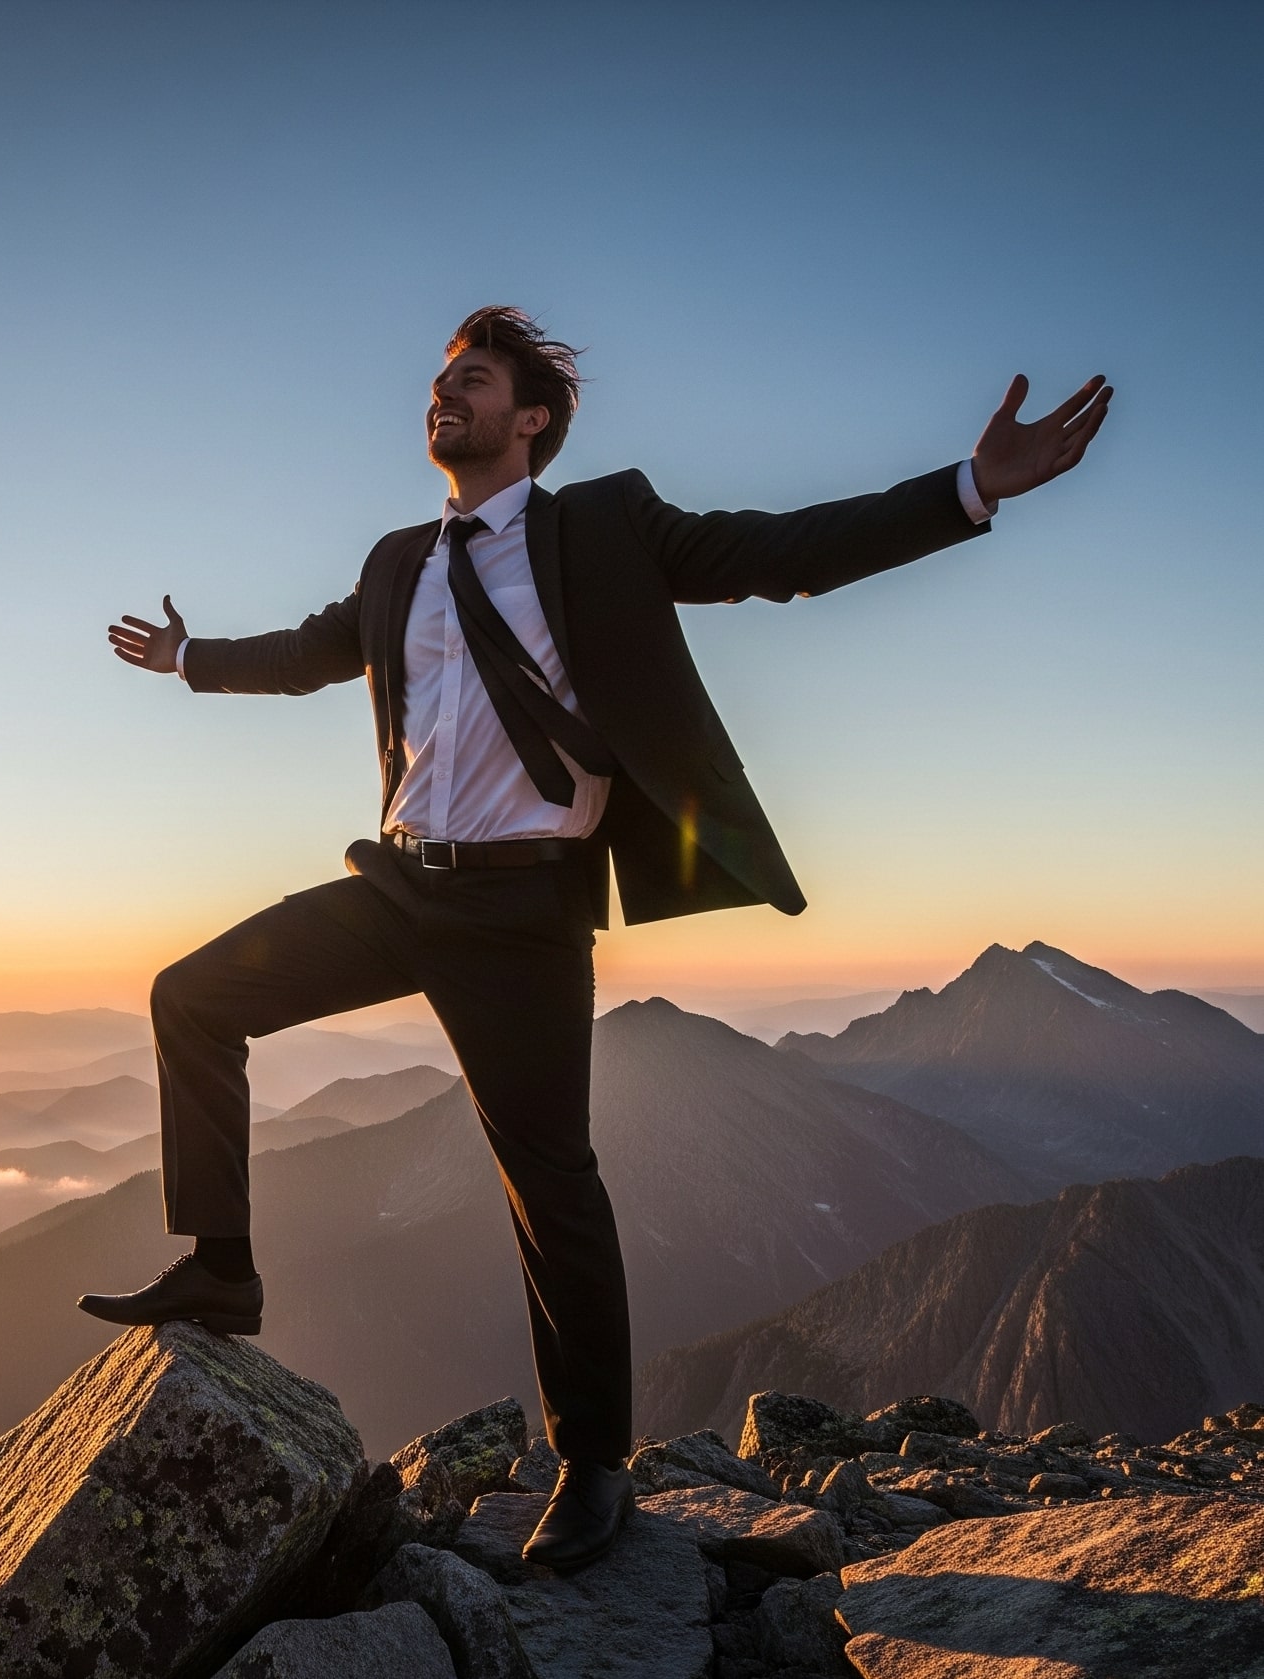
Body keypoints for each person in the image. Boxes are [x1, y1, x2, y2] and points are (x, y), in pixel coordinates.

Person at [82, 307, 1109, 1570]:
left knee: (547, 1176)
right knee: (192, 995)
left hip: (523, 909)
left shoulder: (602, 526)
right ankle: (220, 1266)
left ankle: (594, 1461)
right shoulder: (401, 556)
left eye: (471, 380)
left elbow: (779, 552)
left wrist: (964, 491)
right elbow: (311, 651)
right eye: (437, 381)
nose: (440, 396)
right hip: (401, 882)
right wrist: (191, 657)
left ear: (531, 421)